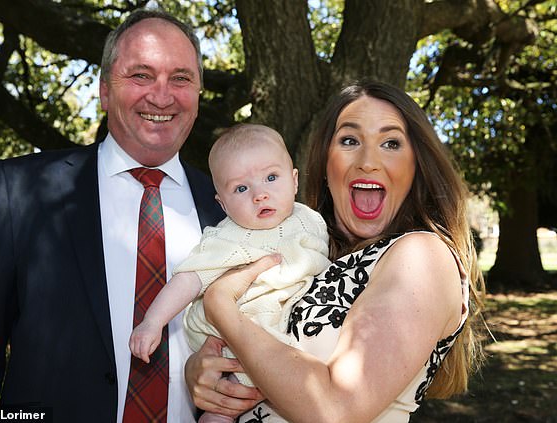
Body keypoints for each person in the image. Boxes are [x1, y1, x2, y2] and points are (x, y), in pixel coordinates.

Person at [0, 8, 226, 423]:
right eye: (141, 75)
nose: (162, 95)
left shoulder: (228, 207)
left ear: (198, 94)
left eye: (181, 78)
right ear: (103, 90)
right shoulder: (23, 190)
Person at [185, 80, 486, 422]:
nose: (368, 161)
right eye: (349, 140)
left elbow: (335, 410)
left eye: (390, 143)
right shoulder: (305, 255)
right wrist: (202, 372)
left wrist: (221, 308)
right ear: (326, 163)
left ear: (415, 166)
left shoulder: (421, 257)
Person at [129, 123, 331, 423]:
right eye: (241, 188)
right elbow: (190, 278)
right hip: (239, 334)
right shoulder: (228, 238)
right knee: (225, 403)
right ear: (222, 204)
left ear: (295, 180)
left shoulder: (311, 219)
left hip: (292, 328)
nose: (260, 195)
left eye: (271, 178)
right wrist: (152, 322)